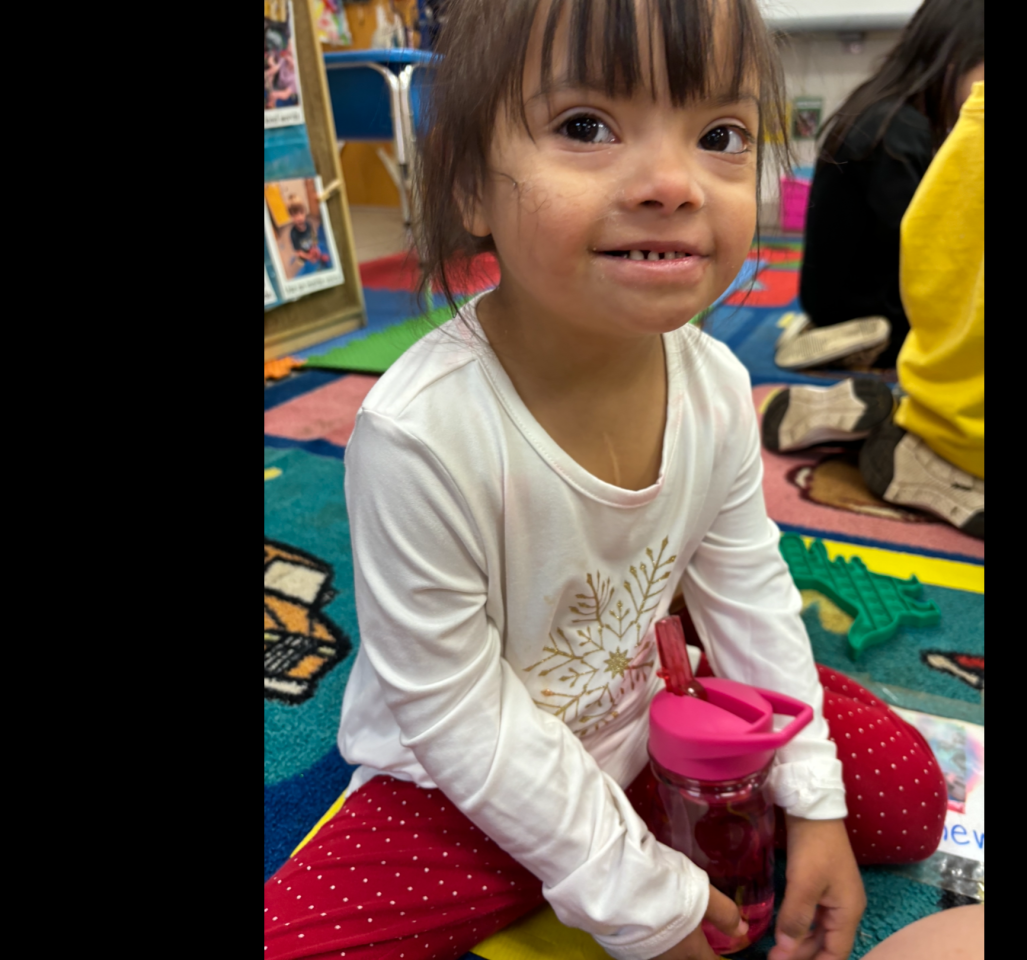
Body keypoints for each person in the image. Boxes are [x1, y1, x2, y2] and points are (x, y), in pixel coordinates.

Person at [264, 4, 949, 960]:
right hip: (465, 777)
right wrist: (636, 896)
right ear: (468, 186)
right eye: (586, 126)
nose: (674, 184)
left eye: (720, 136)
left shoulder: (716, 383)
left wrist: (812, 796)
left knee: (905, 797)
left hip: (658, 716)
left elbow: (747, 591)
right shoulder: (419, 434)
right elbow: (457, 711)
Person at [763, 80, 985, 538]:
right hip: (874, 310)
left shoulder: (888, 114)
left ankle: (911, 407)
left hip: (858, 309)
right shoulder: (900, 131)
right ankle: (929, 427)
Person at [775, 0, 984, 372]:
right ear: (955, 60)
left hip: (837, 302)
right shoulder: (896, 133)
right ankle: (864, 348)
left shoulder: (886, 112)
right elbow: (932, 253)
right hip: (864, 315)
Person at [286, 201, 331, 274]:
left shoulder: (308, 224)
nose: (299, 218)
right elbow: (298, 252)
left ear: (305, 212)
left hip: (311, 250)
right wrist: (309, 257)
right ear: (291, 217)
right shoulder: (293, 234)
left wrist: (315, 248)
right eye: (294, 215)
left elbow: (313, 237)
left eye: (301, 213)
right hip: (304, 257)